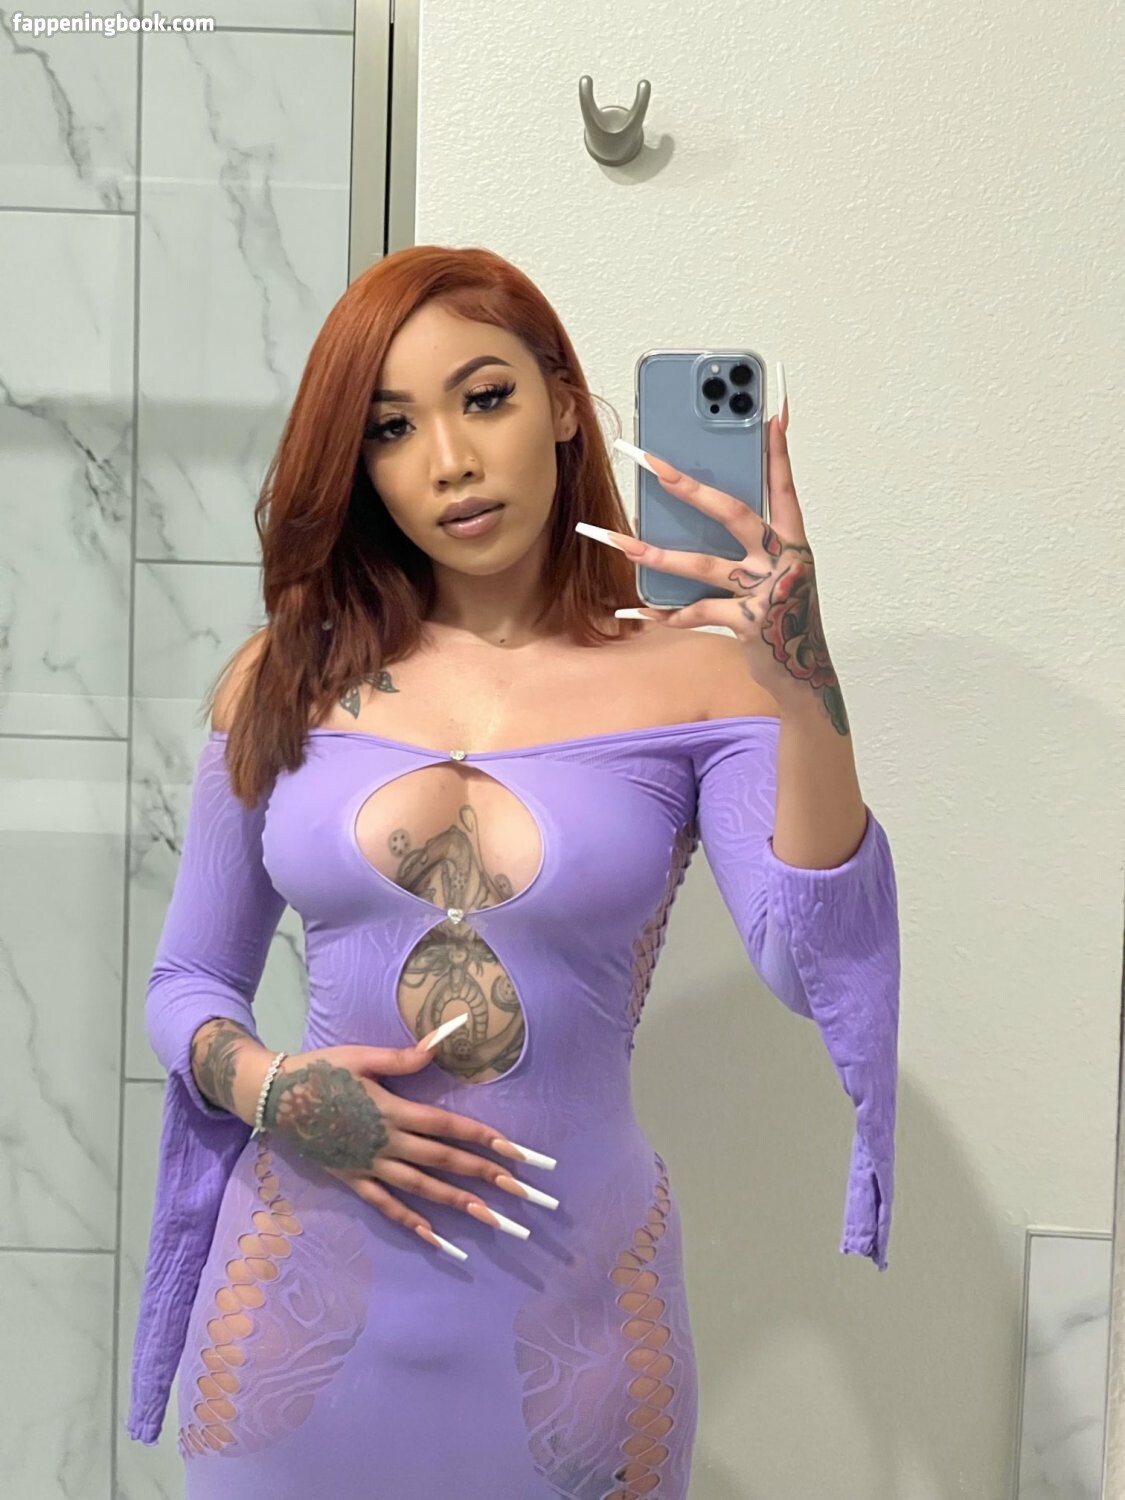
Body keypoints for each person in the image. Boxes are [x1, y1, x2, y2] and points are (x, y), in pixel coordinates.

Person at [125, 245, 900, 1497]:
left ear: (563, 405)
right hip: (293, 1340)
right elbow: (187, 982)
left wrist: (801, 678)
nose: (449, 460)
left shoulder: (703, 680)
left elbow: (810, 968)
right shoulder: (286, 676)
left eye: (484, 398)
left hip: (576, 1339)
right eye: (392, 428)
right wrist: (275, 1089)